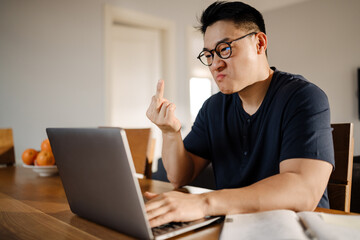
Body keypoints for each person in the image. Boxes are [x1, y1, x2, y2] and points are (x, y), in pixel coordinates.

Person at [145, 1, 334, 228]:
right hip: (233, 226)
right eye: (208, 55)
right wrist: (170, 133)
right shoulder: (213, 108)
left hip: (295, 228)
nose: (215, 64)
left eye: (224, 49)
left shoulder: (303, 97)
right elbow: (178, 177)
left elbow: (303, 192)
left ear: (259, 43)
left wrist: (203, 203)